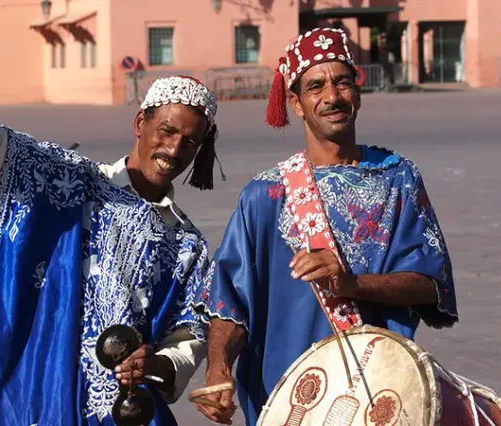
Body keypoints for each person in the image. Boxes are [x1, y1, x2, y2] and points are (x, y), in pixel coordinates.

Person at [0, 9, 222, 426]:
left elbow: (189, 336)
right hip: (40, 397)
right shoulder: (64, 181)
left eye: (190, 143)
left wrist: (151, 364)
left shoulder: (187, 244)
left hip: (125, 413)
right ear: (141, 122)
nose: (175, 150)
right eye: (168, 131)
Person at [193, 27, 458, 426]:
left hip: (379, 397)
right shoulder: (265, 196)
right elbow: (229, 303)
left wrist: (351, 284)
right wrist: (218, 369)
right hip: (288, 403)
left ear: (358, 92)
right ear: (296, 104)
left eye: (342, 83)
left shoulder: (399, 178)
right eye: (316, 87)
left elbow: (431, 283)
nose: (332, 97)